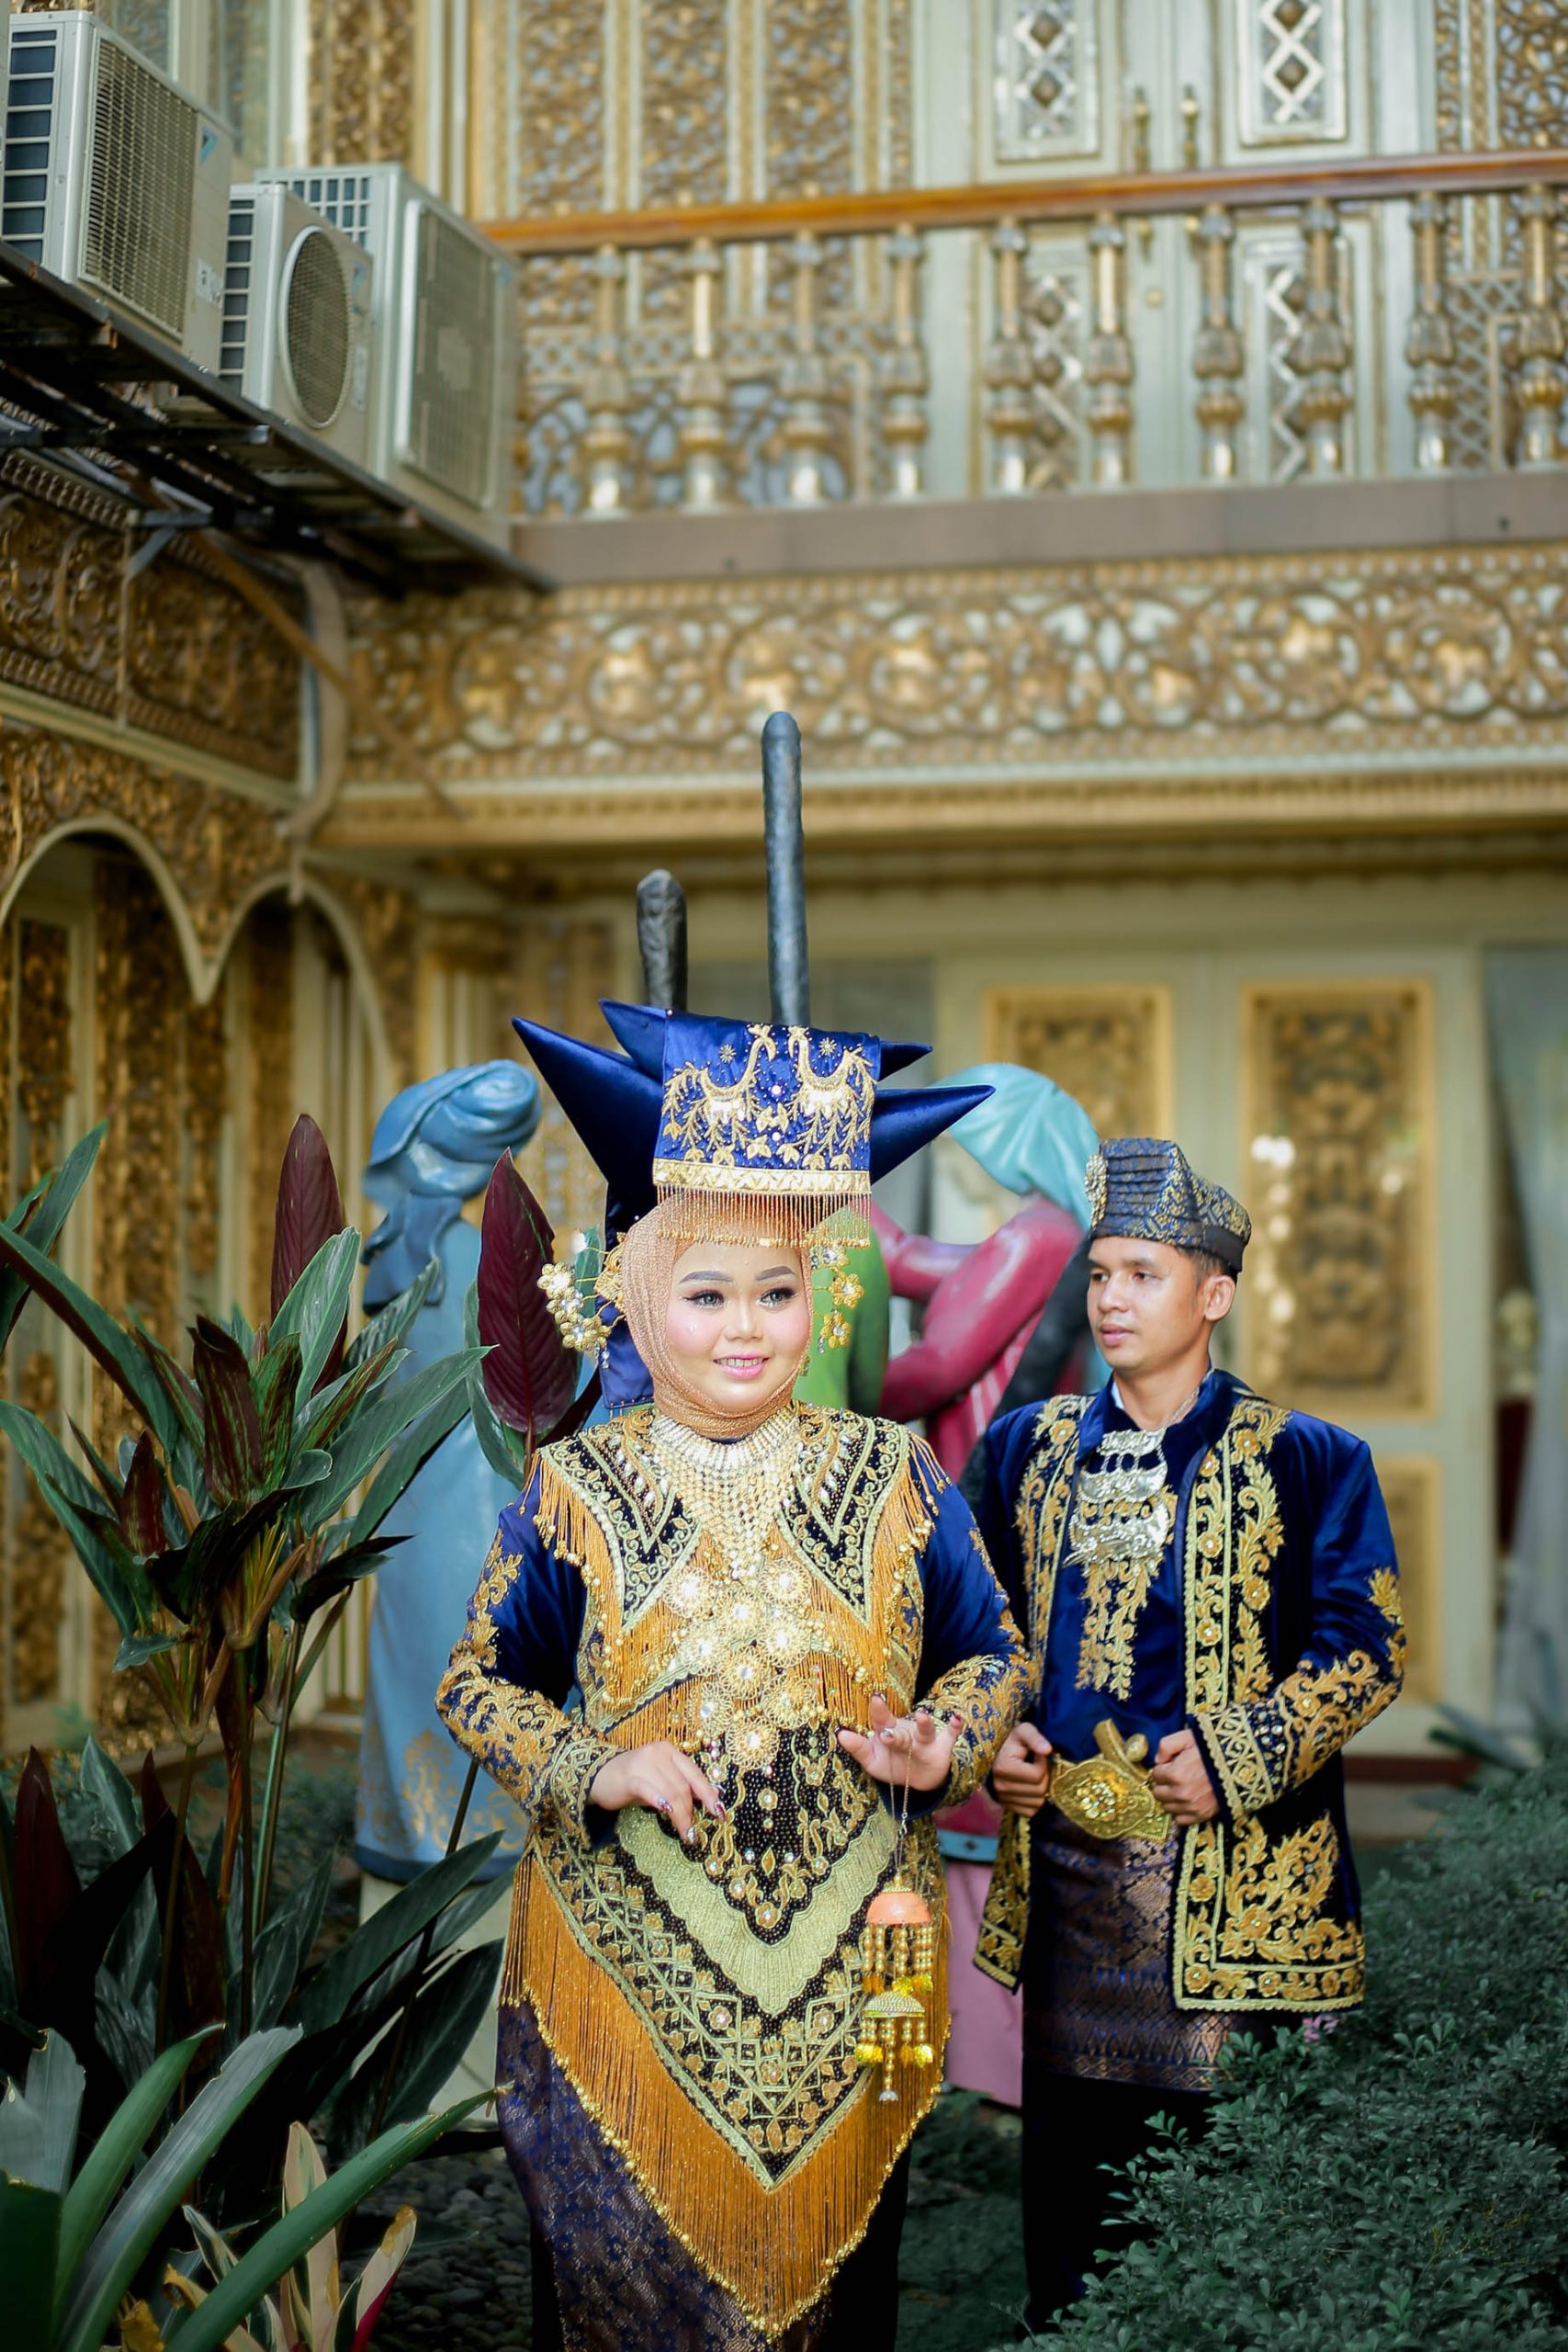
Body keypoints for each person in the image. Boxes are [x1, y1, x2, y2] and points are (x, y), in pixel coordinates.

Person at [436, 1006, 1026, 2351]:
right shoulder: (577, 1485)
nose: (747, 1330)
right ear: (642, 1298)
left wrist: (946, 1740)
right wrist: (600, 1766)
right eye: (707, 1296)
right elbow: (477, 1684)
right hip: (621, 1988)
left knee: (839, 2304)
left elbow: (991, 1651)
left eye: (776, 1292)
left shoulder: (894, 1472)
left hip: (858, 1987)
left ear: (820, 1297)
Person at [972, 1136, 1405, 2326]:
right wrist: (996, 1735)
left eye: (1143, 1275)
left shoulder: (1310, 1460)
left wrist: (1237, 1755)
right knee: (1071, 2204)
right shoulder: (1027, 1448)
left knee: (1223, 2214)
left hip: (1236, 1899)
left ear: (1214, 1295)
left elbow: (1368, 1648)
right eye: (1100, 1274)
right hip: (1069, 1890)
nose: (1110, 1299)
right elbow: (968, 1626)